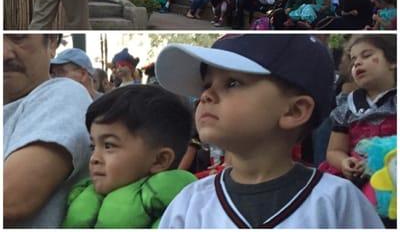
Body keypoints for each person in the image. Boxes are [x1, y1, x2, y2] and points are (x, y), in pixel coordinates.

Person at [155, 34, 384, 228]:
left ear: (294, 111)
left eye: (233, 83)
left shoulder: (338, 200)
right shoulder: (188, 203)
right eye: (207, 85)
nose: (205, 96)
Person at [62, 84, 197, 228]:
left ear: (159, 160)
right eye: (93, 147)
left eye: (109, 145)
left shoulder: (180, 217)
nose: (94, 158)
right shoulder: (80, 195)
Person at [4, 34, 92, 227]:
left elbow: (10, 199)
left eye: (18, 38)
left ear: (52, 42)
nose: (4, 54)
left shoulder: (64, 93)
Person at [319, 35, 396, 226]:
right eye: (353, 60)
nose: (358, 63)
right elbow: (334, 150)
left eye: (366, 55)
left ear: (393, 62)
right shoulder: (347, 107)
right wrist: (345, 162)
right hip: (359, 180)